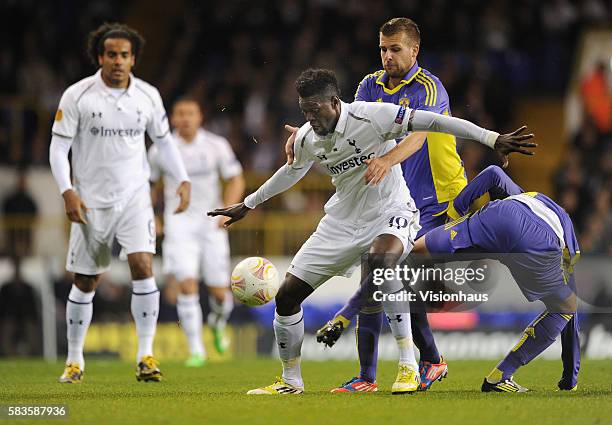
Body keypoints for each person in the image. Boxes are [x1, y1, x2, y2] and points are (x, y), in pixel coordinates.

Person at [209, 68, 535, 395]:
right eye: (305, 110)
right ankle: (291, 381)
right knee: (286, 297)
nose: (310, 117)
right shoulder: (309, 136)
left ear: (335, 102)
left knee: (383, 262)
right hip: (341, 222)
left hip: (391, 211)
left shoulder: (372, 116)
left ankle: (408, 365)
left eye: (315, 109)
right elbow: (290, 172)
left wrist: (492, 138)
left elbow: (436, 123)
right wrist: (248, 204)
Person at [287, 18, 487, 392]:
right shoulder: (368, 85)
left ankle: (418, 362)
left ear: (414, 50)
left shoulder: (430, 87)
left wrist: (386, 160)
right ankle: (387, 371)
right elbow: (347, 126)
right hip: (396, 195)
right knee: (384, 276)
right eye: (383, 48)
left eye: (395, 49)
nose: (387, 55)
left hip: (441, 198)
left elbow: (420, 134)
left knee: (388, 277)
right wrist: (304, 135)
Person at [49, 23, 191, 383]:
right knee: (87, 279)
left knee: (143, 265)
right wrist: (67, 189)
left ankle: (146, 355)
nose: (117, 61)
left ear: (133, 59)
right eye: (111, 54)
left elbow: (164, 141)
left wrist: (183, 178)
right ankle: (74, 359)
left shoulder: (148, 96)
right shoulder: (78, 96)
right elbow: (58, 147)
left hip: (134, 197)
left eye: (124, 55)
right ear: (100, 57)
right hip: (90, 202)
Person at [414, 165, 580, 392]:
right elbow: (571, 316)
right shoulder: (569, 247)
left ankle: (380, 271)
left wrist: (456, 212)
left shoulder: (523, 195)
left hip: (496, 216)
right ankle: (500, 376)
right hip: (537, 242)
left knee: (417, 251)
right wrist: (570, 377)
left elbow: (493, 172)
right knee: (566, 308)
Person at [148, 97, 245, 367]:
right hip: (178, 223)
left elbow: (236, 178)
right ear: (173, 118)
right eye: (181, 113)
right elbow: (150, 184)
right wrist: (154, 215)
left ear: (200, 117)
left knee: (218, 292)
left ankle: (216, 322)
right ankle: (196, 350)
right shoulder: (161, 150)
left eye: (191, 113)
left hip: (211, 223)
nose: (186, 118)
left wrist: (228, 210)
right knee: (187, 284)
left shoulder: (216, 145)